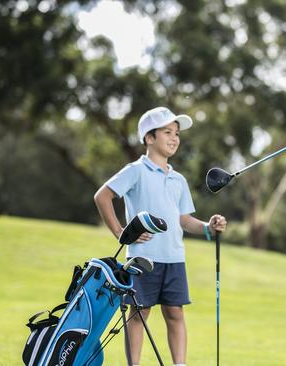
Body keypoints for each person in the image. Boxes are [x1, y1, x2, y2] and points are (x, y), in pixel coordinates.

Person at [94, 106, 227, 366]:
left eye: (176, 133)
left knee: (175, 313)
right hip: (143, 258)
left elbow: (184, 219)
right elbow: (103, 196)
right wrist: (122, 233)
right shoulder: (136, 170)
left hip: (174, 258)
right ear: (149, 137)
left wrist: (208, 227)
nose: (174, 138)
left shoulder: (178, 179)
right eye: (167, 132)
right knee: (139, 314)